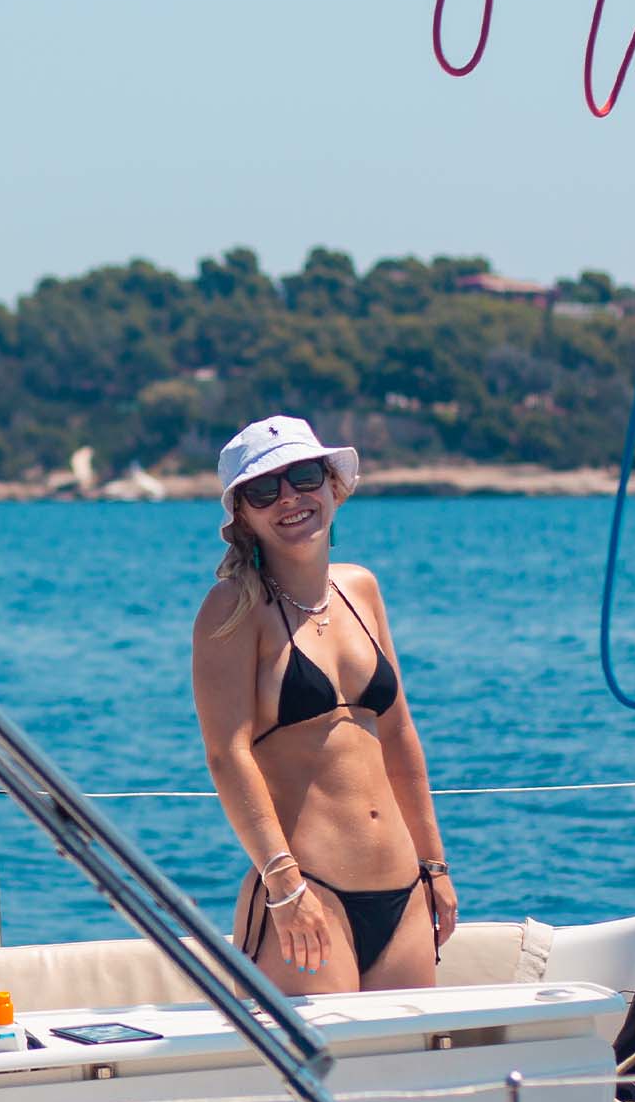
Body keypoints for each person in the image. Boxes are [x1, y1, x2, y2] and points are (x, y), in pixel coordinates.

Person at [189, 413, 455, 988]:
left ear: (333, 485)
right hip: (308, 894)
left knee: (412, 1052)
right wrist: (284, 887)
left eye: (304, 476)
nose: (289, 497)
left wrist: (433, 864)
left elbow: (399, 734)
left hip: (403, 889)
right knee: (318, 1053)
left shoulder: (361, 589)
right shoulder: (232, 610)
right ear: (242, 515)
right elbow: (227, 756)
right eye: (264, 489)